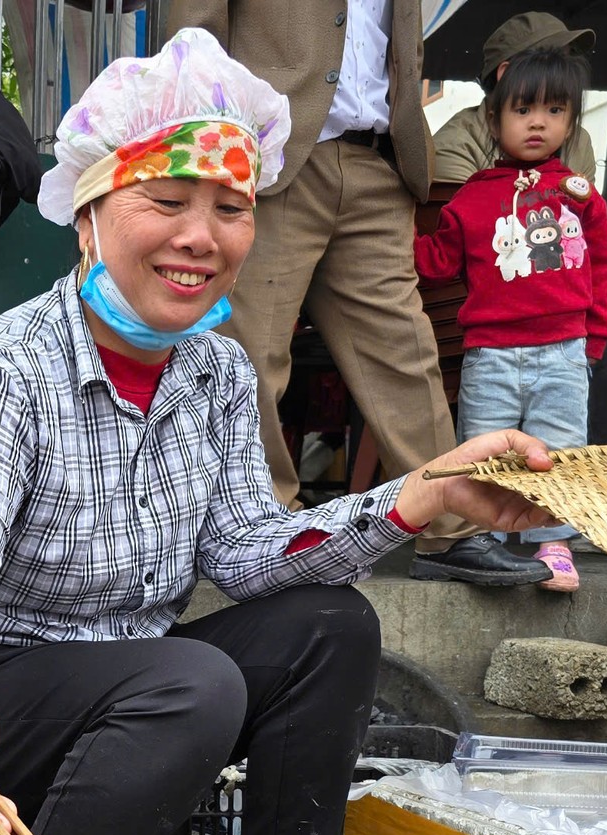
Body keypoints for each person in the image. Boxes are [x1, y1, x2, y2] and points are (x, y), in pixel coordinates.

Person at [0, 30, 559, 835]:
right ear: (90, 213)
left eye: (229, 209)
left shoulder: (219, 374)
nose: (201, 236)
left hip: (130, 686)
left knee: (329, 624)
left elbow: (246, 552)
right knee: (191, 681)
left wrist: (416, 500)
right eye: (166, 201)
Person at [162, 0, 549, 586]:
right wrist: (205, 158)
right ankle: (269, 529)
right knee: (250, 350)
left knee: (404, 351)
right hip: (270, 155)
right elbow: (193, 34)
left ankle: (449, 529)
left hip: (379, 161)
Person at [414, 46, 607, 594]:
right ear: (495, 117)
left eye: (554, 111)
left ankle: (553, 545)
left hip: (563, 348)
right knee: (484, 450)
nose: (537, 123)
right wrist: (394, 242)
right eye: (523, 110)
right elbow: (436, 264)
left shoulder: (580, 196)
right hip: (490, 352)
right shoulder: (472, 199)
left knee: (558, 451)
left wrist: (593, 339)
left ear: (571, 122)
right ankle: (486, 545)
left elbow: (601, 269)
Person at [431, 12, 595, 188]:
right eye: (551, 63)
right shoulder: (456, 148)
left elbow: (588, 210)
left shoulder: (578, 142)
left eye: (565, 62)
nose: (563, 73)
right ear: (505, 74)